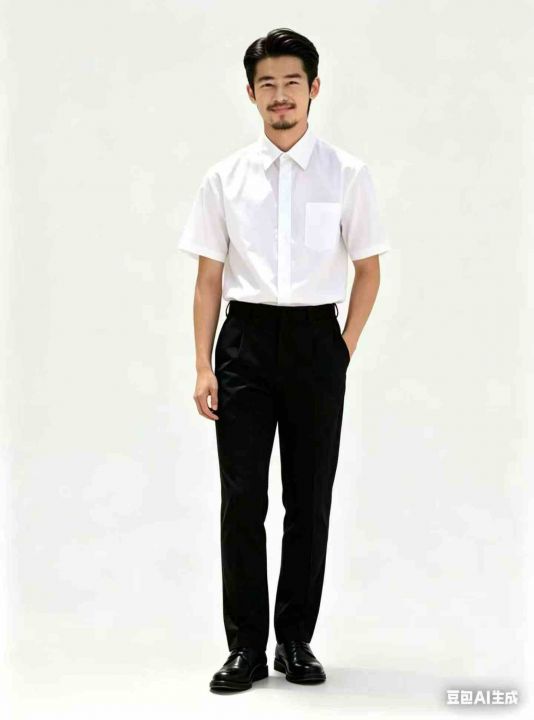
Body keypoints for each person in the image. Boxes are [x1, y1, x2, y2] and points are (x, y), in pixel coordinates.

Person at [177, 27, 391, 693]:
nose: (280, 96)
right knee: (242, 500)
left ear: (314, 88)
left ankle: (294, 640)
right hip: (243, 342)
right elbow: (209, 279)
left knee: (309, 498)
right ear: (251, 94)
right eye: (267, 84)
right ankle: (244, 647)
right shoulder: (224, 178)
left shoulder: (347, 175)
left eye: (292, 82)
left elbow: (368, 271)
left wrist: (339, 351)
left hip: (315, 342)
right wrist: (203, 365)